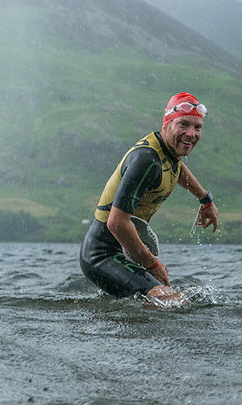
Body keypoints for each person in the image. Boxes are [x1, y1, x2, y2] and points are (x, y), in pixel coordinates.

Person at [79, 92, 219, 302]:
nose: (191, 134)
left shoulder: (167, 152)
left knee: (160, 302)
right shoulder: (146, 159)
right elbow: (116, 223)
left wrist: (205, 200)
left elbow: (177, 168)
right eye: (183, 125)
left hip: (125, 251)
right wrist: (152, 264)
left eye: (197, 127)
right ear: (167, 124)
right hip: (102, 256)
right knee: (170, 302)